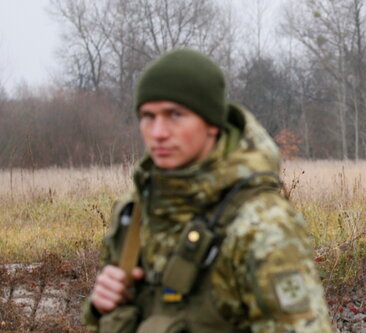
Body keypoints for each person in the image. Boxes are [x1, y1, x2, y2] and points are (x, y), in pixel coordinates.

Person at [81, 49, 332, 332]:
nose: (159, 132)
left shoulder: (261, 224)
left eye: (175, 115)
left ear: (211, 123)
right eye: (148, 116)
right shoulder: (135, 211)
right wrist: (102, 308)